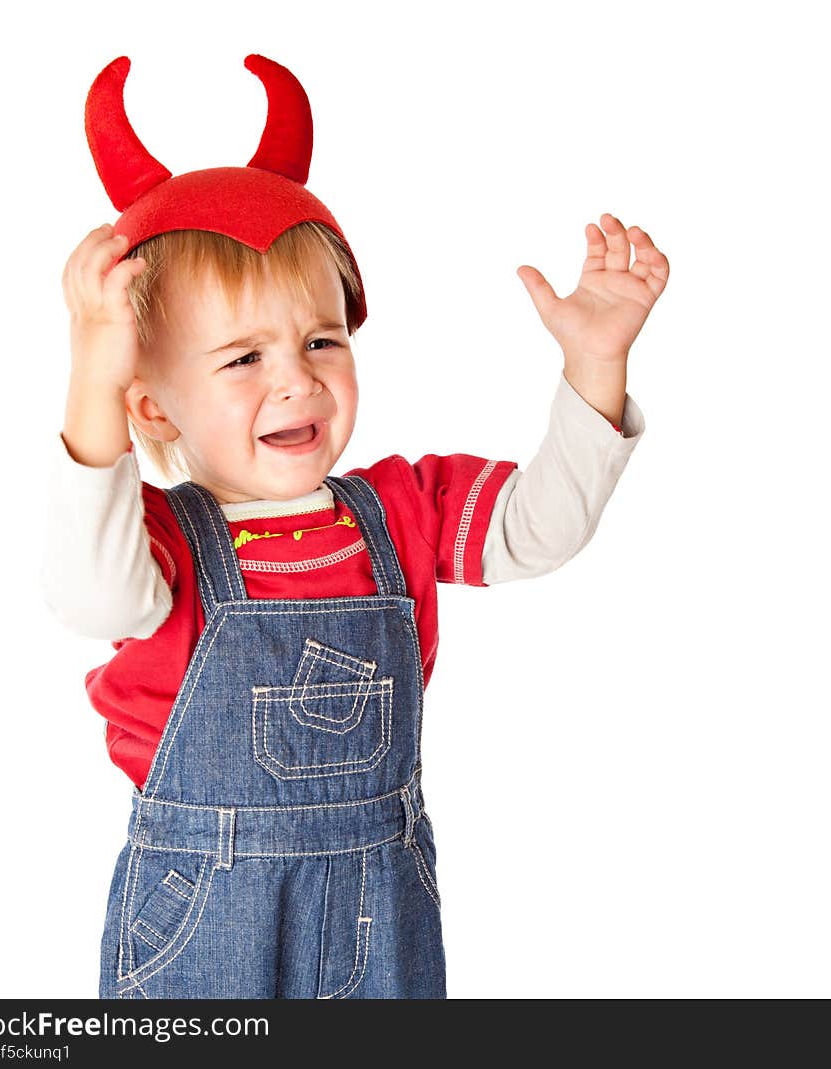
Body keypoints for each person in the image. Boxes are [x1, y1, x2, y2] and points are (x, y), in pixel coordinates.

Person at [41, 52, 669, 1000]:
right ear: (154, 409)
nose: (296, 378)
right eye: (243, 357)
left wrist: (593, 366)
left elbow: (540, 530)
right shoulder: (158, 545)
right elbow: (86, 593)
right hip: (205, 922)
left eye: (321, 339)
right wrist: (91, 378)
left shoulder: (401, 511)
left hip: (381, 913)